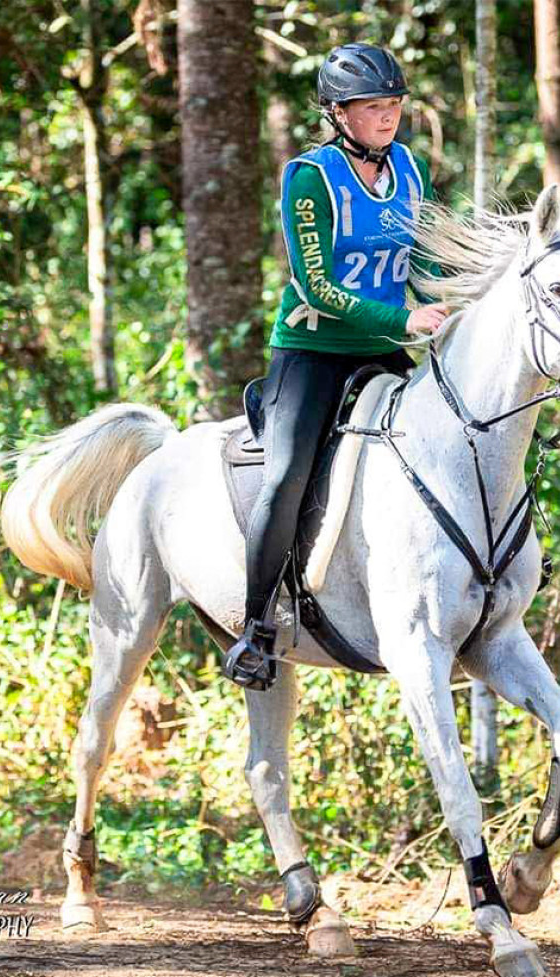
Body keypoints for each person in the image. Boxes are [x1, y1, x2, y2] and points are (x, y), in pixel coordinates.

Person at [221, 43, 448, 689]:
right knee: (288, 473)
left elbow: (422, 263)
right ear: (338, 114)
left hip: (383, 342)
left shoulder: (410, 167)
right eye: (374, 107)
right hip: (314, 349)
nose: (389, 117)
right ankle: (256, 630)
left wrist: (443, 310)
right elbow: (316, 284)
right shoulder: (309, 177)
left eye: (395, 105)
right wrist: (404, 320)